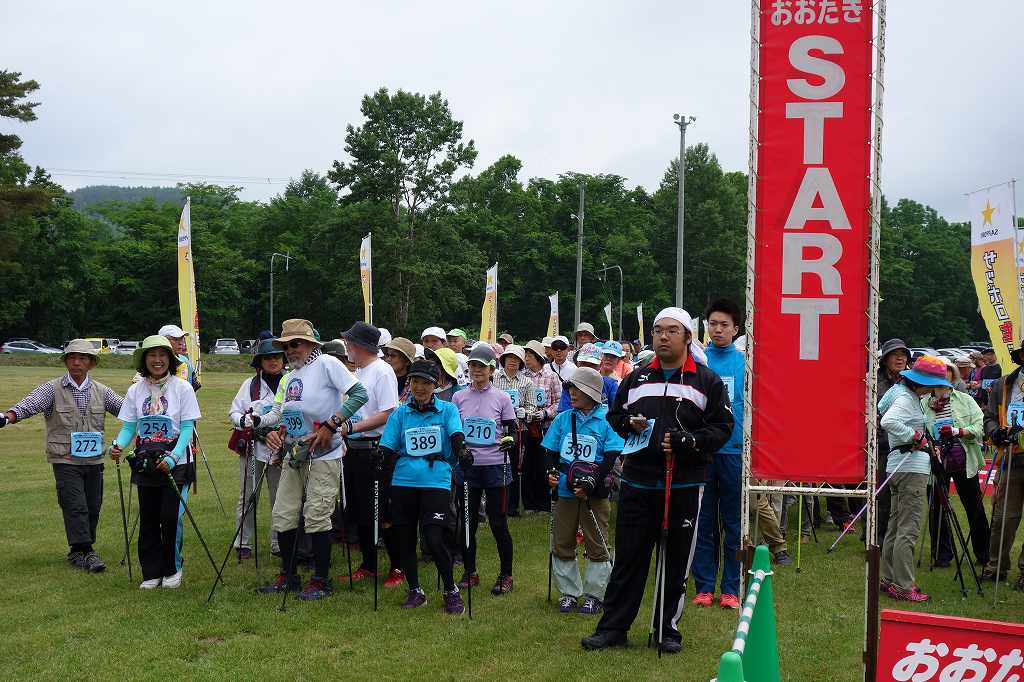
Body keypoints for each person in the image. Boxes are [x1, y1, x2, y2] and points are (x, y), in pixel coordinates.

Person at [582, 307, 733, 653]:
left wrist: (690, 441)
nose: (663, 337)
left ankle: (667, 629)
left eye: (671, 331)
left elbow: (722, 428)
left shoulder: (706, 380)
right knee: (628, 560)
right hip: (637, 482)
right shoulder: (636, 378)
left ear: (687, 337)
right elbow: (615, 414)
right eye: (657, 331)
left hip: (682, 484)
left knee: (676, 560)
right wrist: (628, 422)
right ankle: (613, 628)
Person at [255, 319, 368, 600]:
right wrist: (262, 424)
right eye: (286, 346)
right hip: (294, 453)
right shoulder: (290, 375)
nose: (290, 350)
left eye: (295, 344)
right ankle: (289, 575)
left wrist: (332, 425)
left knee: (317, 515)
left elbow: (359, 394)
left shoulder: (328, 363)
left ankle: (320, 580)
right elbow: (281, 413)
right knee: (282, 514)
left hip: (324, 454)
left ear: (310, 344)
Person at [1, 339, 123, 572]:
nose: (76, 362)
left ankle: (78, 550)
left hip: (94, 459)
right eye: (72, 358)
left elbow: (126, 411)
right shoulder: (51, 389)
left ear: (92, 364)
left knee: (93, 506)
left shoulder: (102, 391)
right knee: (75, 504)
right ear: (66, 361)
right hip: (64, 458)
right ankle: (87, 551)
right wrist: (8, 416)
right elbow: (29, 404)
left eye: (83, 358)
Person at [693, 299, 781, 611]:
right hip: (702, 453)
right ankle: (704, 586)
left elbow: (758, 407)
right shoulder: (698, 362)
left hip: (734, 452)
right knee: (703, 523)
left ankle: (731, 587)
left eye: (724, 325)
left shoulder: (746, 363)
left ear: (736, 329)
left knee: (734, 523)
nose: (717, 329)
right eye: (713, 323)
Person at [110, 336, 201, 589]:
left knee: (170, 516)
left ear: (170, 360)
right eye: (152, 355)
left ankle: (172, 568)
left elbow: (186, 428)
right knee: (149, 517)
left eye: (163, 355)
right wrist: (117, 444)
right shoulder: (135, 390)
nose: (158, 360)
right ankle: (151, 572)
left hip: (177, 461)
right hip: (146, 462)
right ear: (144, 360)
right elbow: (130, 427)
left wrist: (173, 456)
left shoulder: (182, 388)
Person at [379, 360, 470, 613]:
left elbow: (455, 434)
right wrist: (381, 458)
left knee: (433, 536)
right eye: (415, 381)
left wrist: (461, 449)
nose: (420, 387)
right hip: (403, 479)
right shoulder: (400, 413)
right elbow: (388, 444)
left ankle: (451, 589)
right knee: (405, 537)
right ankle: (415, 590)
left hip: (436, 478)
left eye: (426, 382)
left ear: (436, 385)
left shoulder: (447, 409)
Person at [543, 367, 624, 614]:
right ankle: (568, 592)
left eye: (575, 388)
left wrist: (592, 483)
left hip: (595, 492)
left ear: (591, 392)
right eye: (570, 388)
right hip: (566, 490)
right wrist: (551, 473)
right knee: (562, 540)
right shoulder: (563, 419)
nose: (571, 393)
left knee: (596, 541)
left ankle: (595, 594)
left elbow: (611, 456)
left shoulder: (607, 419)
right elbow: (550, 451)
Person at [878, 354, 950, 602]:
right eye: (933, 384)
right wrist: (915, 436)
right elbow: (888, 421)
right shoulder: (906, 399)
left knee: (895, 527)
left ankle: (888, 579)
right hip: (911, 470)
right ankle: (904, 586)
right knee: (908, 529)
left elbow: (882, 412)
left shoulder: (901, 393)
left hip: (898, 467)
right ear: (923, 382)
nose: (934, 389)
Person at [340, 322, 402, 588]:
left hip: (376, 450)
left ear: (358, 346)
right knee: (361, 511)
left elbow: (389, 412)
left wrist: (352, 426)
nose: (346, 347)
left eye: (348, 342)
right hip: (353, 449)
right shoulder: (357, 373)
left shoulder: (382, 371)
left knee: (383, 511)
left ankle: (398, 567)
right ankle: (369, 564)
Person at [452, 344, 518, 595]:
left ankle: (506, 574)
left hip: (495, 466)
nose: (476, 370)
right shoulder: (459, 397)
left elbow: (512, 429)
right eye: (472, 366)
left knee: (498, 522)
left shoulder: (501, 397)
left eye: (481, 366)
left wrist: (508, 441)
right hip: (468, 466)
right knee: (466, 521)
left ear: (492, 369)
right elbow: (455, 431)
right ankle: (470, 571)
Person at [921, 360, 990, 568]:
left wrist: (960, 431)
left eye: (947, 373)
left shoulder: (965, 399)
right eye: (939, 374)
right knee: (937, 507)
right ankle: (942, 554)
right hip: (935, 460)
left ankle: (984, 553)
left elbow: (980, 426)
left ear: (953, 376)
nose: (943, 377)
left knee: (974, 506)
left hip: (963, 458)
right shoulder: (924, 402)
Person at [228, 338, 288, 559]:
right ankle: (242, 542)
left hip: (282, 449)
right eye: (268, 357)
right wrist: (244, 421)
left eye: (277, 357)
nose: (273, 361)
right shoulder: (249, 385)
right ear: (259, 361)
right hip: (254, 448)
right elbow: (234, 413)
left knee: (280, 497)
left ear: (284, 360)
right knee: (249, 495)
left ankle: (279, 542)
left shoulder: (291, 382)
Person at [981, 342, 1024, 590]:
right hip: (1011, 458)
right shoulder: (1004, 383)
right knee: (1003, 518)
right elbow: (988, 417)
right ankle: (995, 566)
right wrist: (995, 432)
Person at [873, 338, 911, 544]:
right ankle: (875, 537)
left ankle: (896, 539)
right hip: (880, 445)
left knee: (904, 496)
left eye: (903, 354)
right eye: (895, 354)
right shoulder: (873, 381)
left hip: (907, 445)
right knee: (881, 494)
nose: (900, 358)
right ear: (885, 359)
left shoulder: (912, 381)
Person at [492, 344, 537, 517]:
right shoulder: (494, 378)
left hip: (519, 429)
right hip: (497, 428)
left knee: (515, 466)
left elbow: (532, 407)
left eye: (516, 358)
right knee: (497, 465)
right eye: (509, 357)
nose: (512, 361)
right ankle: (497, 505)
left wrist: (525, 412)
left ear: (520, 362)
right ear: (503, 359)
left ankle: (511, 506)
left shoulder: (527, 382)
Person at [522, 340, 562, 512]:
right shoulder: (523, 376)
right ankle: (529, 503)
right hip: (527, 426)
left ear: (539, 357)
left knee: (544, 463)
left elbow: (559, 402)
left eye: (530, 356)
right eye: (526, 356)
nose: (527, 359)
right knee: (527, 464)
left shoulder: (551, 376)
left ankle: (544, 502)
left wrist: (545, 413)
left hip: (546, 427)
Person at [558, 344, 617, 411]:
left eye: (592, 365)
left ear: (600, 365)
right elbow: (564, 414)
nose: (587, 368)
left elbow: (617, 411)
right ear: (577, 363)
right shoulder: (568, 385)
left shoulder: (610, 385)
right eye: (584, 364)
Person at [158, 324, 200, 391]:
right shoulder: (155, 362)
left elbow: (192, 387)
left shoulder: (185, 360)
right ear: (163, 340)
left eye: (182, 339)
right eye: (175, 339)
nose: (181, 343)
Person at [383, 337, 416, 403]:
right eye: (387, 355)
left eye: (393, 356)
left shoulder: (414, 384)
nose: (388, 359)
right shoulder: (382, 377)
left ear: (406, 361)